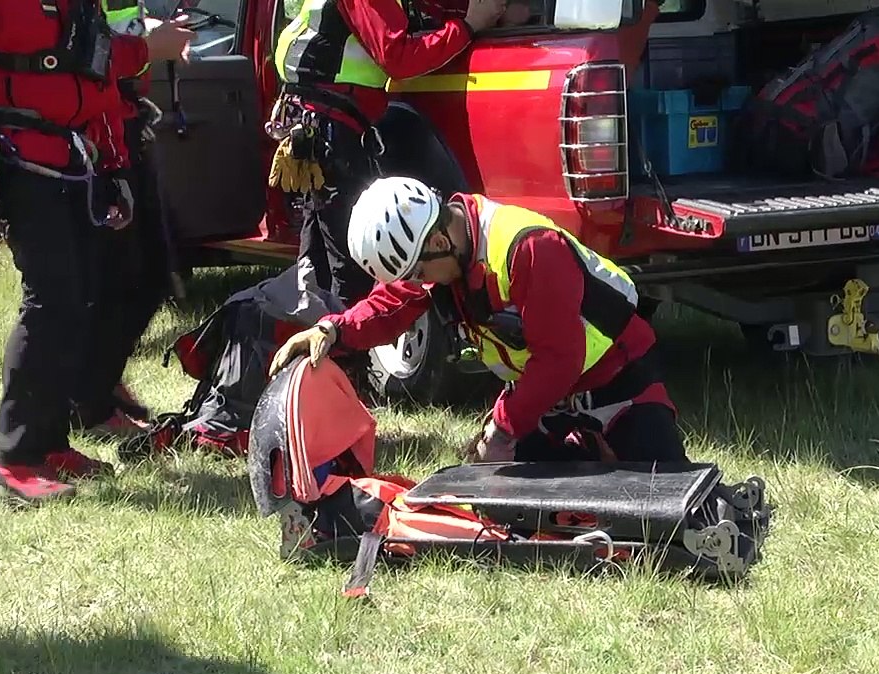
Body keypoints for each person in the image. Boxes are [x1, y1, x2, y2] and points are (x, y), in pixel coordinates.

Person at [0, 0, 189, 504]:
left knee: (83, 297)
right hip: (17, 157)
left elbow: (94, 74)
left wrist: (113, 167)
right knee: (52, 301)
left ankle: (49, 443)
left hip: (75, 156)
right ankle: (16, 458)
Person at [269, 177, 689, 465]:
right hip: (548, 398)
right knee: (508, 501)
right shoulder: (441, 250)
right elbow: (393, 303)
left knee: (661, 497)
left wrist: (504, 427)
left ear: (437, 242)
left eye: (418, 272)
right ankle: (582, 450)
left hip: (619, 379)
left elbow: (559, 358)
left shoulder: (528, 248)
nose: (417, 284)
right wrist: (333, 329)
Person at [269, 0, 510, 312]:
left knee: (322, 244)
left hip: (321, 120)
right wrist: (467, 28)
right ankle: (345, 340)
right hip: (329, 125)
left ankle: (320, 326)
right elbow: (397, 57)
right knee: (350, 247)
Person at [66, 2, 198, 440]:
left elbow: (113, 25)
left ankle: (97, 387)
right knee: (124, 277)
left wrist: (150, 31)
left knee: (149, 275)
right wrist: (146, 48)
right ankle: (89, 401)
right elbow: (79, 49)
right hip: (96, 135)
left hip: (124, 128)